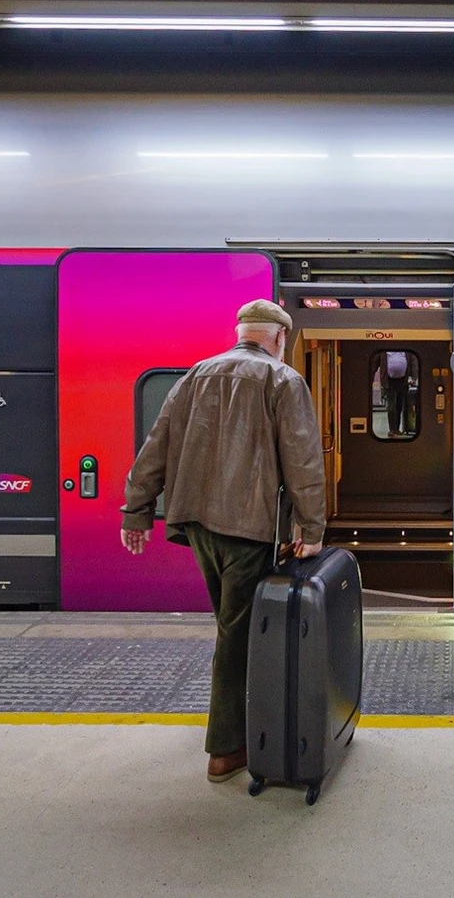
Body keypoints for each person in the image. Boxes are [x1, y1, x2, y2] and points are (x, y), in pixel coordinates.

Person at [120, 299, 327, 783]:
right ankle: (225, 749)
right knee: (237, 636)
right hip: (247, 528)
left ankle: (245, 727)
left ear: (241, 333)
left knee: (232, 626)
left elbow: (157, 445)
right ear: (278, 338)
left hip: (196, 524)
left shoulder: (196, 375)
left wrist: (137, 511)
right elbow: (302, 460)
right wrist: (311, 530)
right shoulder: (282, 380)